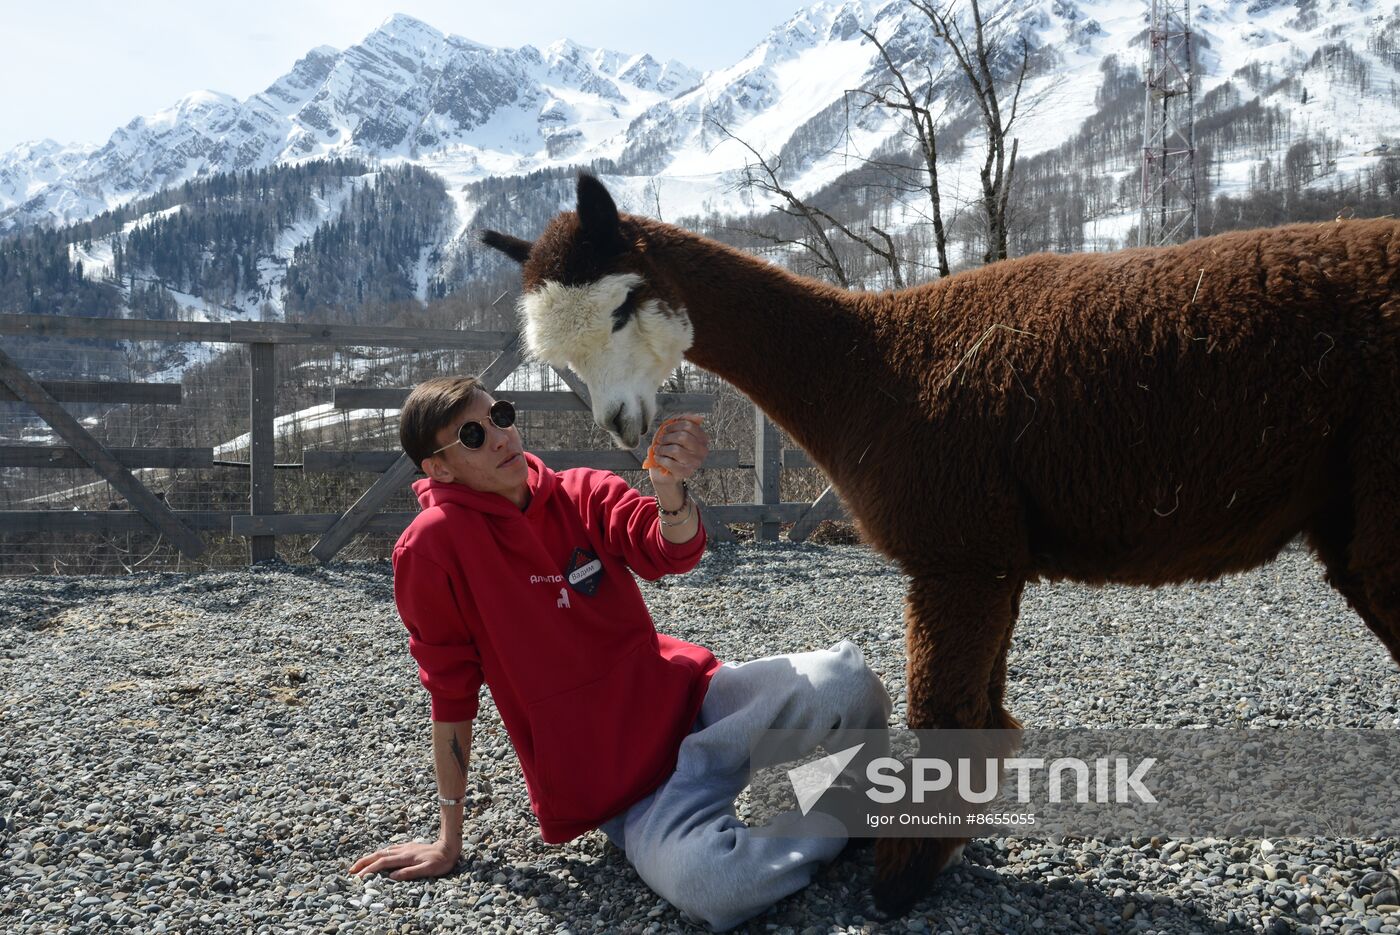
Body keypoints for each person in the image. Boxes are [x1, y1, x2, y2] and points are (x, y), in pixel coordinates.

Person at [349, 375, 892, 931]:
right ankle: (849, 813)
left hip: (698, 707)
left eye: (501, 416)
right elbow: (451, 693)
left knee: (846, 678)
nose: (500, 438)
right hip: (630, 794)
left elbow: (666, 553)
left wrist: (670, 490)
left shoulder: (580, 491)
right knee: (717, 888)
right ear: (437, 468)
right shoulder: (429, 548)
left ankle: (872, 789)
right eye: (471, 434)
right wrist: (448, 839)